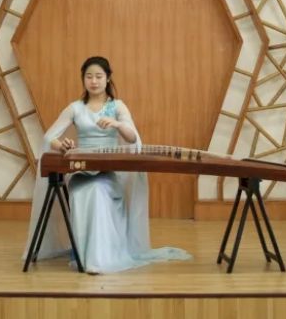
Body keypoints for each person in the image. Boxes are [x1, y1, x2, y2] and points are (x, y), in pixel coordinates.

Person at [24, 56, 191, 273]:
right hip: (81, 173)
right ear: (83, 79)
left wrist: (117, 124)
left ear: (108, 78)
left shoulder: (117, 106)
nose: (94, 81)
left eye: (98, 76)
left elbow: (132, 138)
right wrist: (62, 145)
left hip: (108, 173)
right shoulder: (75, 108)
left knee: (98, 190)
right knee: (86, 191)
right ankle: (89, 256)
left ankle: (99, 259)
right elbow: (49, 137)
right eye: (89, 76)